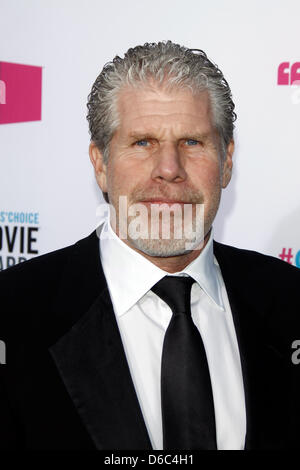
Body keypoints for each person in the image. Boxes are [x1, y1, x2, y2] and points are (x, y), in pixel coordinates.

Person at [0, 41, 299, 451]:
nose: (169, 170)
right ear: (101, 165)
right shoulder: (12, 313)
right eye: (143, 142)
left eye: (192, 142)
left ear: (227, 162)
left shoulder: (290, 300)